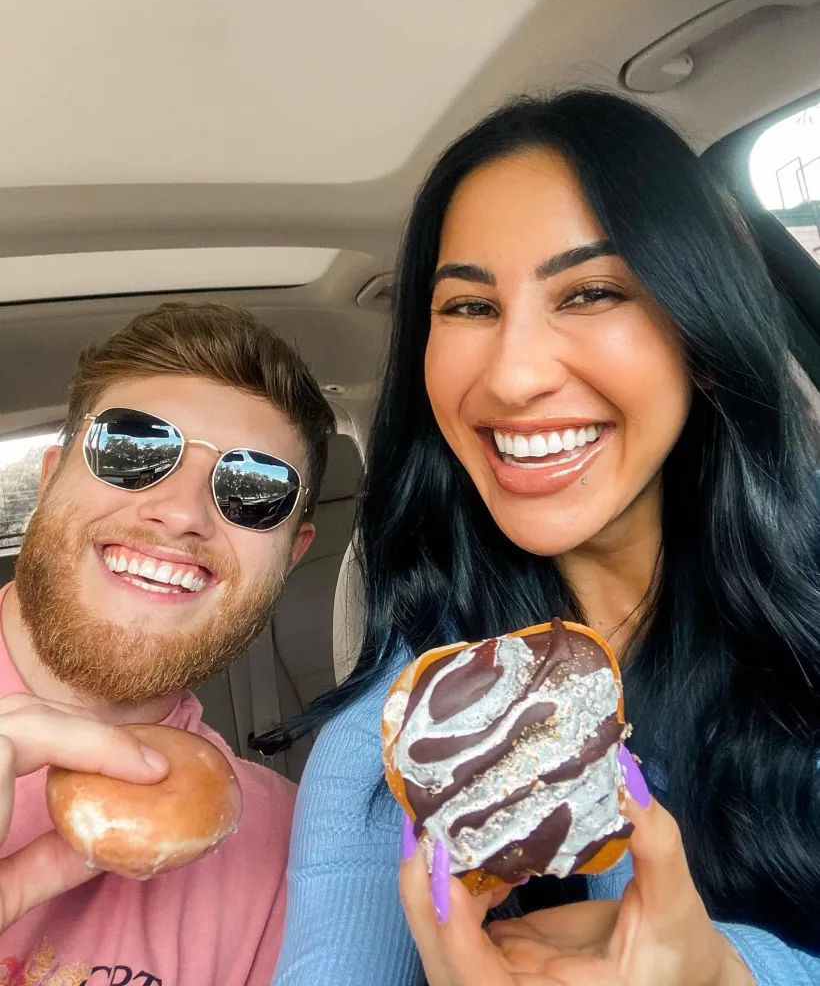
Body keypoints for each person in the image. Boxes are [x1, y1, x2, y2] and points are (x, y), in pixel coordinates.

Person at [268, 90, 820, 985]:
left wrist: (732, 973)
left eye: (592, 291)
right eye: (469, 307)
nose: (515, 376)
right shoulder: (395, 745)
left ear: (702, 335)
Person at [0, 301, 335, 985]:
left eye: (253, 489)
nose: (181, 513)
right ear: (50, 478)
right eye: (134, 449)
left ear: (291, 554)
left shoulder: (292, 853)